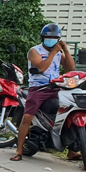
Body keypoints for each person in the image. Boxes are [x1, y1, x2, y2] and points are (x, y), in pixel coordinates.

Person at [11, 23, 76, 162]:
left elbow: (71, 68)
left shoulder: (59, 52)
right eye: (48, 37)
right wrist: (53, 52)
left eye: (55, 38)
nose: (51, 39)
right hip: (38, 89)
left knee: (70, 113)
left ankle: (73, 150)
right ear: (43, 38)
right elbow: (42, 67)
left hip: (56, 88)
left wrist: (65, 50)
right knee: (27, 117)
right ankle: (19, 150)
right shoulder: (34, 51)